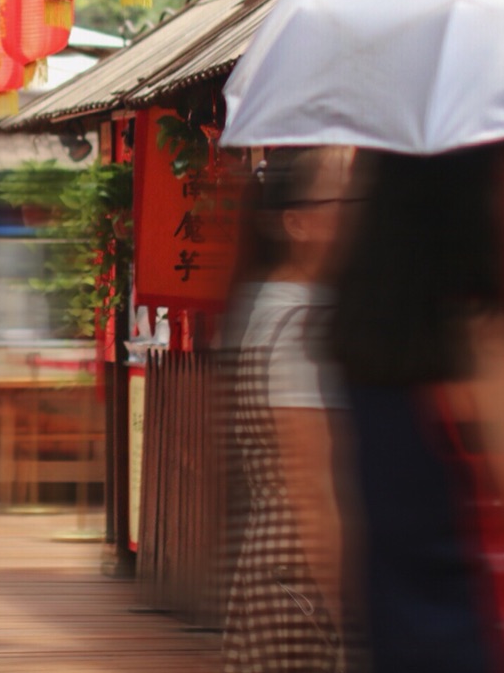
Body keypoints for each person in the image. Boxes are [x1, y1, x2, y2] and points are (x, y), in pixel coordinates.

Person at [329, 146, 504, 673]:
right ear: (464, 206)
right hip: (494, 640)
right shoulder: (477, 340)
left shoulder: (356, 342)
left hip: (398, 639)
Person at [219, 147, 359, 673]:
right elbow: (312, 487)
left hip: (285, 568)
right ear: (296, 223)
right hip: (304, 573)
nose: (353, 211)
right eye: (339, 199)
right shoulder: (299, 327)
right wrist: (347, 611)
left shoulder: (285, 307)